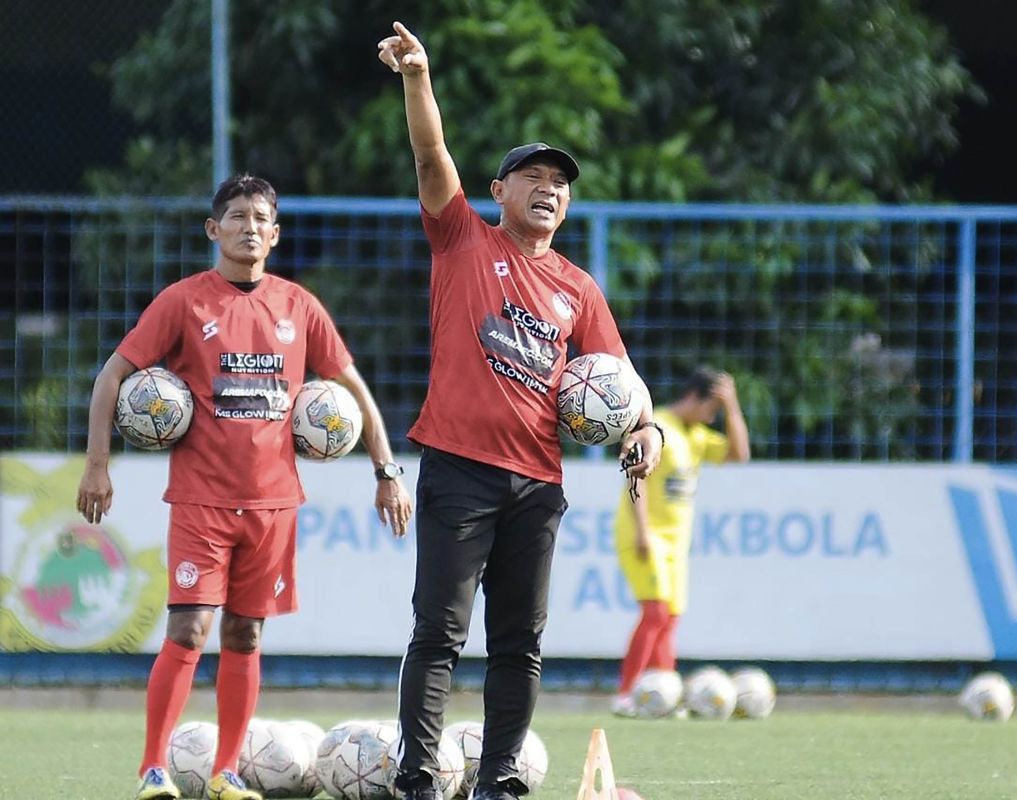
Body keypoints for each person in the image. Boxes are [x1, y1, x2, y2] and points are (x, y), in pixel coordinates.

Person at [376, 21, 663, 800]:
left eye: (560, 181)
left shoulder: (579, 289)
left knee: (520, 643)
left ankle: (500, 776)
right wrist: (417, 78)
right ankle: (415, 777)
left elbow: (626, 391)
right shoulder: (462, 240)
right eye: (531, 175)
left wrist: (648, 433)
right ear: (498, 191)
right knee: (439, 634)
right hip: (459, 469)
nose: (549, 187)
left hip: (537, 485)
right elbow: (433, 158)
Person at [75, 174, 414, 800]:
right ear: (214, 229)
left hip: (274, 503)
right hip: (202, 501)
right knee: (190, 628)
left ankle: (227, 772)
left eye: (261, 218)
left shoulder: (299, 307)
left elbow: (354, 392)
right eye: (235, 216)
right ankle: (153, 769)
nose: (249, 227)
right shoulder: (183, 302)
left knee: (246, 633)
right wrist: (98, 463)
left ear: (276, 234)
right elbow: (112, 376)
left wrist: (386, 470)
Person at [611, 368, 750, 717]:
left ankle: (663, 695)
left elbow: (739, 454)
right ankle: (626, 693)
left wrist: (733, 408)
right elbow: (636, 476)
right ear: (694, 398)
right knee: (655, 613)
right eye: (712, 409)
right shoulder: (658, 426)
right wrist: (643, 530)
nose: (712, 417)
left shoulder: (697, 436)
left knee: (669, 619)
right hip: (645, 535)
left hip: (675, 543)